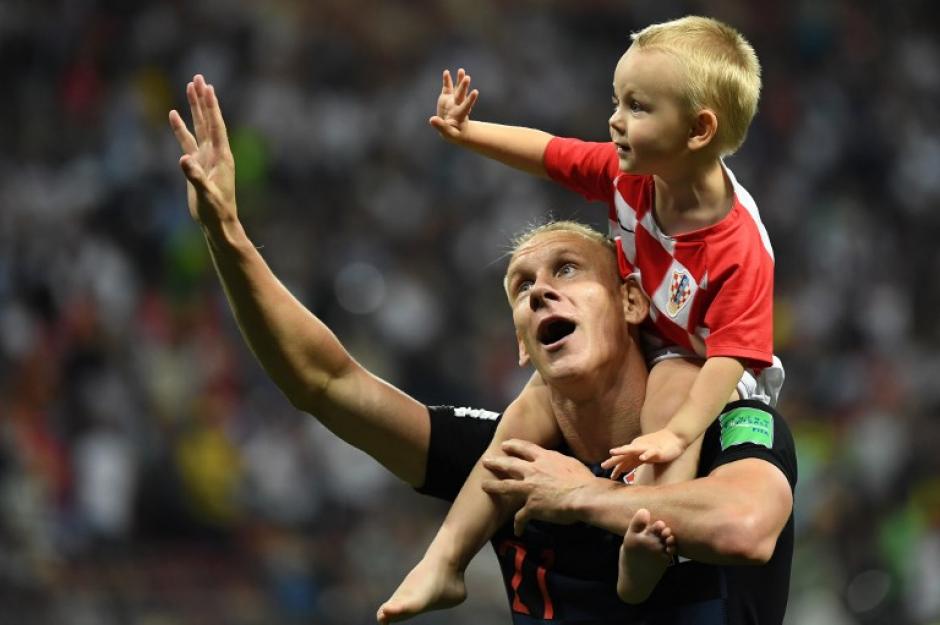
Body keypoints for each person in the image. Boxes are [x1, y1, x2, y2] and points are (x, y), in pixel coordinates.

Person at [168, 74, 796, 624]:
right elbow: (325, 382)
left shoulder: (723, 424)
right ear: (522, 345)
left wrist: (582, 497)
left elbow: (745, 526)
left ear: (633, 302)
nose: (542, 292)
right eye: (522, 288)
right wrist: (225, 234)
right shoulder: (507, 462)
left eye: (569, 270)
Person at [384, 15, 788, 610]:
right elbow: (549, 152)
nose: (615, 120)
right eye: (617, 101)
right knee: (528, 407)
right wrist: (468, 133)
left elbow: (731, 354)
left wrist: (676, 433)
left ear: (699, 130)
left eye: (638, 107)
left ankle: (645, 548)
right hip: (646, 329)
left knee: (671, 393)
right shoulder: (630, 178)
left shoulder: (739, 249)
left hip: (704, 366)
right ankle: (444, 559)